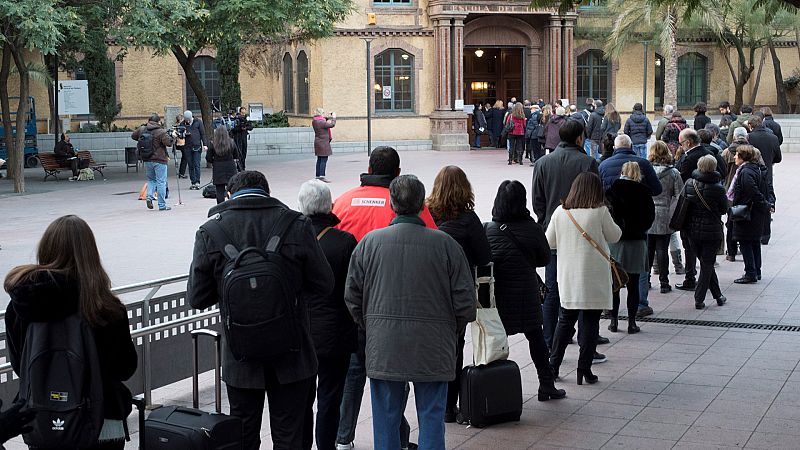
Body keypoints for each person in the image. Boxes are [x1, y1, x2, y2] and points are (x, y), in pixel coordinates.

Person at [187, 170, 334, 450]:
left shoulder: (210, 231)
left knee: (242, 435)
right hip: (293, 355)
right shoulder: (296, 224)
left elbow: (197, 297)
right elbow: (324, 284)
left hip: (240, 359)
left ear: (230, 195)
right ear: (267, 192)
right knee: (290, 435)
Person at [344, 175, 476, 450]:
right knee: (431, 417)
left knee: (386, 418)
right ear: (421, 205)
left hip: (385, 343)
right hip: (434, 343)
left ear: (392, 204)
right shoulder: (446, 245)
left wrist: (369, 324)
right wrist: (454, 329)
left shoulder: (369, 244)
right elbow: (465, 301)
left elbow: (352, 296)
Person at [4, 215, 138, 450]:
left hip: (42, 420)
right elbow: (125, 368)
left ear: (45, 248)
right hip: (101, 421)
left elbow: (20, 365)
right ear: (91, 253)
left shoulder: (21, 305)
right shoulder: (105, 307)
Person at [332, 147, 435, 450]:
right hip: (394, 304)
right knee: (395, 376)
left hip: (353, 306)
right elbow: (430, 242)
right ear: (398, 173)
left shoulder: (344, 201)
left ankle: (343, 437)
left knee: (353, 374)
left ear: (369, 166)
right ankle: (398, 438)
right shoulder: (408, 205)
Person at [485, 180, 567, 400]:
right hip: (526, 295)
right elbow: (545, 259)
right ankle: (546, 384)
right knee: (536, 339)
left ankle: (493, 391)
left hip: (499, 296)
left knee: (493, 341)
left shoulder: (489, 230)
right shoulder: (532, 228)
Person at [532, 119, 607, 356]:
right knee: (585, 292)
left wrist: (547, 221)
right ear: (579, 138)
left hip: (555, 233)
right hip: (584, 238)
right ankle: (588, 346)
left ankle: (549, 339)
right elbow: (597, 198)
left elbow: (538, 201)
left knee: (553, 289)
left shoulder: (543, 163)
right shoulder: (587, 163)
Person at [426, 166, 491, 421]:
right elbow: (485, 257)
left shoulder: (427, 212)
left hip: (428, 289)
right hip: (456, 293)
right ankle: (448, 406)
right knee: (455, 346)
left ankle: (431, 399)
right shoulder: (468, 219)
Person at [297, 180, 358, 450]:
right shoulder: (344, 241)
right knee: (330, 397)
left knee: (300, 399)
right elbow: (354, 289)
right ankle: (326, 446)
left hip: (299, 334)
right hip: (336, 334)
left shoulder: (290, 240)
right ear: (330, 206)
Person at [546, 173, 622, 385]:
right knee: (590, 323)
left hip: (569, 276)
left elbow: (549, 242)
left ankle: (553, 366)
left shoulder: (561, 212)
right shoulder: (600, 212)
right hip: (594, 278)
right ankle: (584, 370)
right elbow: (615, 235)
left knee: (565, 321)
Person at [605, 162, 655, 334]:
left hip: (616, 242)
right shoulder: (644, 192)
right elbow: (650, 218)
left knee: (615, 284)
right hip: (637, 241)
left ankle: (613, 321)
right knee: (633, 284)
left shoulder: (612, 190)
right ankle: (632, 322)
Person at [684, 155, 728, 309]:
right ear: (714, 167)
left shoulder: (690, 183)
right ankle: (699, 298)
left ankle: (718, 296)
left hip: (692, 231)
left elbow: (684, 206)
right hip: (712, 231)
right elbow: (724, 209)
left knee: (705, 262)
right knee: (707, 263)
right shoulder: (718, 188)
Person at [674, 128, 714, 290]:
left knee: (689, 245)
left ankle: (691, 278)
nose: (680, 146)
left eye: (681, 143)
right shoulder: (711, 153)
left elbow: (679, 177)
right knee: (704, 249)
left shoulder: (689, 158)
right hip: (709, 209)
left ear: (688, 142)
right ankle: (709, 283)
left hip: (689, 206)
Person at [647, 141, 684, 295]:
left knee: (648, 249)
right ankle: (664, 282)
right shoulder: (673, 173)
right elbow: (679, 194)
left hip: (648, 213)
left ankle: (646, 280)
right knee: (662, 249)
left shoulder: (646, 171)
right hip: (666, 213)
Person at [729, 145, 770, 284]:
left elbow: (752, 191)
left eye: (737, 155)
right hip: (754, 213)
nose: (734, 157)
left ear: (743, 157)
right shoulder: (754, 168)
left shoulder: (745, 172)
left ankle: (750, 272)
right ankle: (756, 271)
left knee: (746, 242)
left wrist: (764, 204)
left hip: (748, 214)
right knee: (753, 242)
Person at [132, 113, 174, 211]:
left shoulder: (142, 129)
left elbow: (133, 136)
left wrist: (141, 138)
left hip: (147, 158)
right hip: (159, 160)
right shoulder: (161, 132)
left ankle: (149, 197)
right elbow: (169, 143)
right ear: (158, 122)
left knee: (151, 180)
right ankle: (162, 205)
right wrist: (173, 137)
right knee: (161, 182)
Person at [598, 134, 663, 195]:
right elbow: (657, 189)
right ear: (631, 146)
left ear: (614, 148)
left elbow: (599, 191)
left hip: (612, 205)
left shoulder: (603, 166)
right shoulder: (644, 164)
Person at [207, 125, 239, 204]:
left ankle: (221, 208)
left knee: (219, 191)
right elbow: (236, 155)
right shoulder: (231, 142)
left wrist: (214, 161)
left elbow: (208, 158)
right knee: (232, 188)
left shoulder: (213, 144)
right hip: (230, 167)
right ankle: (233, 205)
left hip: (218, 168)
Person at [181, 110, 207, 190]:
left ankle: (197, 182)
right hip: (187, 147)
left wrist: (205, 144)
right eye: (186, 120)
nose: (187, 121)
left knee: (196, 164)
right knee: (190, 165)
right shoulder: (182, 124)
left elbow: (202, 133)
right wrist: (183, 134)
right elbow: (180, 135)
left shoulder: (198, 122)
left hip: (197, 146)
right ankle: (193, 182)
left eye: (188, 120)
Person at [313, 108, 337, 182]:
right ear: (320, 113)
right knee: (324, 159)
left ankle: (318, 175)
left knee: (319, 159)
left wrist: (328, 117)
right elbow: (332, 124)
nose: (324, 114)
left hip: (318, 142)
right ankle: (322, 176)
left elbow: (324, 121)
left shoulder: (315, 121)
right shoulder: (321, 122)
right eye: (323, 113)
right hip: (323, 143)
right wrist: (334, 117)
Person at [174, 114, 190, 179]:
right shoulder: (181, 126)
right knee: (185, 158)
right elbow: (182, 135)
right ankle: (181, 173)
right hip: (182, 143)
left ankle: (181, 173)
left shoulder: (176, 125)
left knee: (184, 157)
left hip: (178, 144)